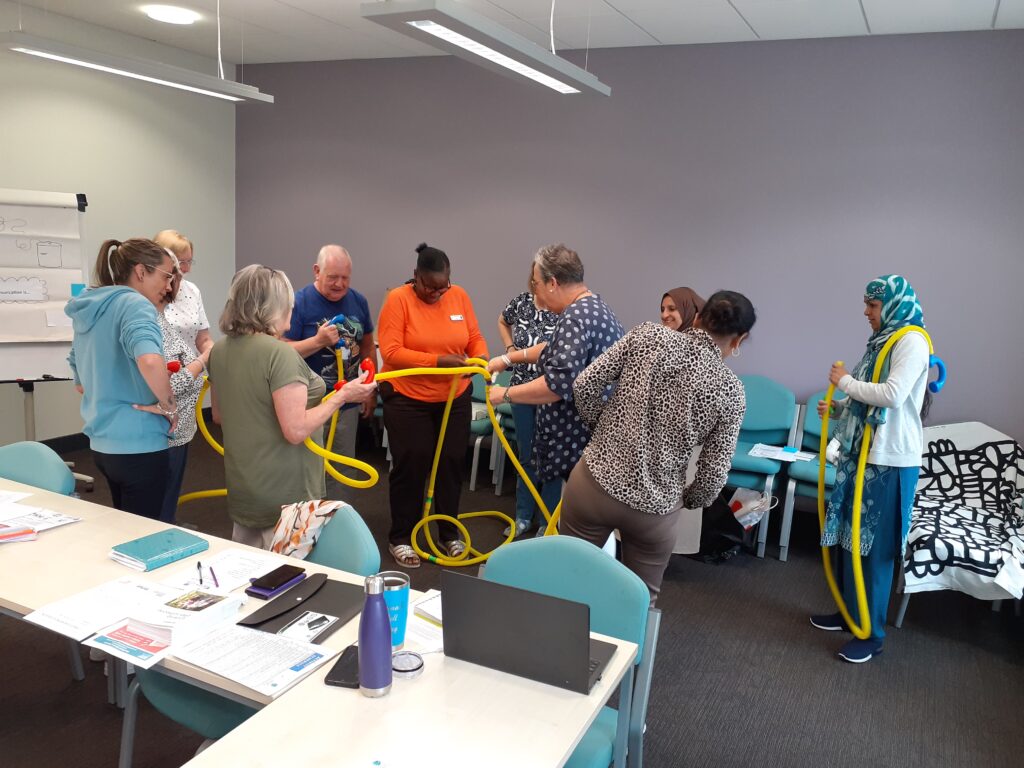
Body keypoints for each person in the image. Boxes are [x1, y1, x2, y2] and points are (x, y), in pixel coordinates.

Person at [559, 290, 754, 602]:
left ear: (699, 317)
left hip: (594, 482)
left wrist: (603, 431)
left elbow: (584, 387)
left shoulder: (646, 336)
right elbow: (714, 475)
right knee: (637, 602)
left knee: (564, 580)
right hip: (655, 508)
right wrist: (688, 499)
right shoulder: (731, 390)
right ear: (739, 339)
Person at [208, 265, 377, 549]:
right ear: (275, 306)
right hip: (287, 497)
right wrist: (342, 396)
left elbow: (219, 416)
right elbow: (296, 430)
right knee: (287, 584)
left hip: (245, 487)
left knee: (249, 577)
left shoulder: (221, 349)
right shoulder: (280, 355)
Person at [811, 275, 931, 664]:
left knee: (875, 552)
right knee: (849, 539)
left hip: (891, 462)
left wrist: (844, 383)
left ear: (892, 305)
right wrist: (842, 408)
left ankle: (873, 634)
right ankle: (850, 614)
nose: (866, 312)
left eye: (873, 305)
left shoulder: (911, 340)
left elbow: (894, 396)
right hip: (862, 455)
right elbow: (869, 402)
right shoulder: (880, 343)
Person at [378, 243, 487, 568]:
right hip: (407, 396)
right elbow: (392, 352)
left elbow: (474, 337)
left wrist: (479, 357)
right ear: (415, 277)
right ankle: (401, 537)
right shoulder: (398, 299)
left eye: (443, 286)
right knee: (412, 464)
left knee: (452, 464)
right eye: (429, 286)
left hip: (454, 396)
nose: (437, 293)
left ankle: (448, 533)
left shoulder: (460, 297)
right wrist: (439, 361)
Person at [488, 244, 623, 503]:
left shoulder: (575, 318)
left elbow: (556, 385)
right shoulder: (594, 308)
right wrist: (508, 357)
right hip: (594, 443)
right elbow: (553, 349)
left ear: (552, 283)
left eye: (536, 284)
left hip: (576, 446)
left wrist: (504, 394)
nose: (535, 291)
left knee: (578, 525)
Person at [65, 239, 178, 519]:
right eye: (166, 276)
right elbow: (150, 360)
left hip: (103, 445)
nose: (168, 286)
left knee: (126, 527)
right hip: (139, 445)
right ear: (141, 272)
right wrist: (169, 405)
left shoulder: (91, 306)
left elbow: (78, 376)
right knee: (145, 535)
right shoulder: (135, 305)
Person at [283, 245, 376, 495]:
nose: (339, 284)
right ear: (316, 271)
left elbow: (368, 345)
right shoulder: (298, 302)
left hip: (346, 403)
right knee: (307, 466)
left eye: (345, 278)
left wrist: (370, 390)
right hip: (308, 402)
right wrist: (318, 341)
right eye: (332, 277)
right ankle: (304, 525)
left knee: (342, 466)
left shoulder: (358, 301)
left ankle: (338, 524)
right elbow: (280, 350)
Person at [495, 274, 560, 538]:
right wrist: (509, 349)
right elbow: (502, 320)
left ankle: (548, 520)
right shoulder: (521, 303)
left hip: (549, 391)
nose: (537, 284)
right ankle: (523, 516)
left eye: (541, 279)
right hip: (520, 390)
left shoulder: (562, 310)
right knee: (526, 455)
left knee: (551, 458)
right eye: (534, 278)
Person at [156, 265, 210, 523]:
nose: (171, 287)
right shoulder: (151, 325)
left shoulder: (160, 320)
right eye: (168, 279)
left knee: (165, 495)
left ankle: (166, 526)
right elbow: (169, 385)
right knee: (160, 500)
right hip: (167, 428)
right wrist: (202, 362)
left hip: (177, 424)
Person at [154, 230, 213, 357]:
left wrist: (215, 356)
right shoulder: (149, 294)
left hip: (193, 371)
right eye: (181, 262)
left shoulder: (192, 290)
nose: (187, 269)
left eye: (190, 261)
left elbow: (204, 340)